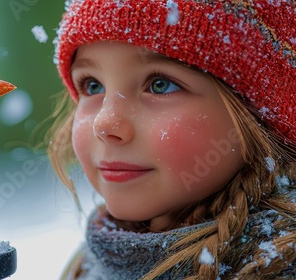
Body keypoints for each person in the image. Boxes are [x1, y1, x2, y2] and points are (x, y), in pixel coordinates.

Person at [47, 0, 296, 279]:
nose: (104, 124)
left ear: (258, 115)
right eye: (93, 85)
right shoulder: (89, 264)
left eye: (159, 84)